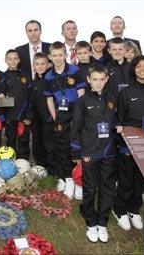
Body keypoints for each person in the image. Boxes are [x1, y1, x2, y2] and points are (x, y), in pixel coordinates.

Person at [113, 55, 144, 231]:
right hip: (128, 144)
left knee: (140, 180)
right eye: (138, 66)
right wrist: (121, 141)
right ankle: (120, 210)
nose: (142, 69)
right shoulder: (125, 92)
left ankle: (134, 209)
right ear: (133, 69)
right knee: (126, 179)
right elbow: (118, 119)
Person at [70, 65, 117, 243]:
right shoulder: (81, 102)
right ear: (88, 80)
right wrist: (77, 152)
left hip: (109, 153)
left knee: (107, 188)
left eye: (101, 79)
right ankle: (90, 221)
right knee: (89, 188)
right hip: (89, 153)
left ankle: (102, 222)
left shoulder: (113, 99)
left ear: (106, 80)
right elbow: (76, 128)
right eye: (94, 79)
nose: (98, 83)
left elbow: (118, 122)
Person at [44, 41, 85, 199]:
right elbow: (49, 100)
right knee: (63, 146)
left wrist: (80, 115)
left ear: (66, 55)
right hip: (60, 113)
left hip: (76, 109)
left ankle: (79, 180)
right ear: (50, 57)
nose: (58, 58)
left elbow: (81, 93)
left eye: (60, 55)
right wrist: (56, 118)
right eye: (54, 55)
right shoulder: (48, 76)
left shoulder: (75, 70)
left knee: (77, 145)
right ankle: (68, 179)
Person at [28, 52, 55, 173]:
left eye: (43, 64)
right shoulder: (34, 83)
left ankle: (53, 169)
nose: (40, 66)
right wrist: (29, 116)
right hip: (37, 119)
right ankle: (41, 167)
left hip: (51, 118)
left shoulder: (52, 79)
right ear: (33, 65)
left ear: (49, 64)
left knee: (51, 143)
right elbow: (32, 101)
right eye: (37, 64)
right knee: (37, 143)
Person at [3, 49, 32, 159]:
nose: (13, 61)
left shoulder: (26, 76)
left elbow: (31, 97)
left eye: (15, 59)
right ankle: (10, 164)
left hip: (24, 116)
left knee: (24, 141)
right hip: (9, 116)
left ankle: (23, 164)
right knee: (10, 140)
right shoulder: (2, 77)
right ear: (5, 60)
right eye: (10, 59)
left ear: (19, 60)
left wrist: (29, 115)